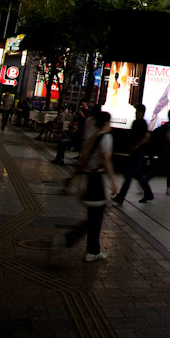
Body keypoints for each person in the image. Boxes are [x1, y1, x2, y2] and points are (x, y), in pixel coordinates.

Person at [55, 111, 118, 261]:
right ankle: (75, 245)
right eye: (109, 122)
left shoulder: (92, 138)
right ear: (105, 123)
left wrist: (70, 181)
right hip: (97, 182)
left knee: (93, 218)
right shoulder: (106, 138)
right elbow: (106, 160)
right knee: (95, 219)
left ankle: (89, 249)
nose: (110, 125)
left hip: (89, 180)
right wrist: (113, 182)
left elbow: (81, 162)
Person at [113, 104, 153, 204]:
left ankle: (121, 197)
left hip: (138, 153)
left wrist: (137, 145)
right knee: (138, 175)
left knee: (129, 175)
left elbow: (146, 137)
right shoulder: (136, 122)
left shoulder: (143, 123)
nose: (136, 113)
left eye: (137, 111)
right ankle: (148, 194)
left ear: (141, 112)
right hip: (135, 152)